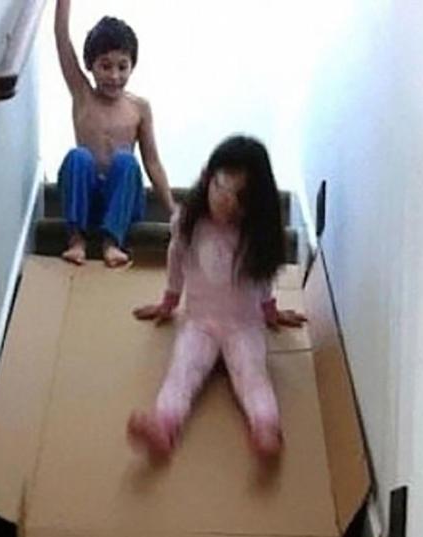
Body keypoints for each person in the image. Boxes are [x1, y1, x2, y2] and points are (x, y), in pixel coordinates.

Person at [127, 135, 304, 461]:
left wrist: (271, 312)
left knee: (252, 376)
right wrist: (169, 301)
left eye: (240, 197)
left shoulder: (254, 235)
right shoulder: (188, 222)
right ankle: (164, 426)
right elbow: (176, 259)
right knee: (182, 371)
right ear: (208, 176)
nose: (226, 201)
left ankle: (266, 427)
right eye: (221, 187)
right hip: (200, 324)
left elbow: (263, 278)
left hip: (243, 325)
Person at [55, 0, 175, 267]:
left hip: (122, 202)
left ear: (133, 66)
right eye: (105, 66)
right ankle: (77, 240)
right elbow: (62, 39)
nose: (114, 75)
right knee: (78, 157)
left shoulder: (139, 108)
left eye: (122, 66)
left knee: (127, 161)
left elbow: (152, 162)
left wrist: (172, 210)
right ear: (90, 65)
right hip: (86, 198)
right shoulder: (83, 95)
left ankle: (113, 242)